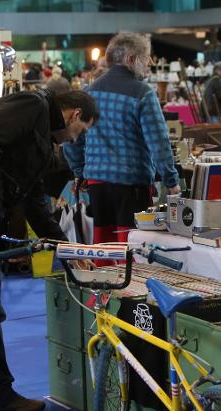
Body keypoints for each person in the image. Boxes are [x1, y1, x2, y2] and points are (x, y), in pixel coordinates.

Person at [0, 89, 98, 411]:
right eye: (80, 132)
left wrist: (65, 249)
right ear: (74, 116)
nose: (74, 140)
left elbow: (35, 203)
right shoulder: (32, 106)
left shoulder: (41, 142)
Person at [64, 32, 180, 250]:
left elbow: (71, 139)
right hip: (131, 185)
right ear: (130, 59)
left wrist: (80, 171)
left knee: (104, 247)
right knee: (132, 250)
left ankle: (102, 284)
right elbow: (159, 142)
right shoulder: (143, 93)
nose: (149, 64)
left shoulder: (88, 92)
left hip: (97, 185)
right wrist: (171, 181)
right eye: (146, 58)